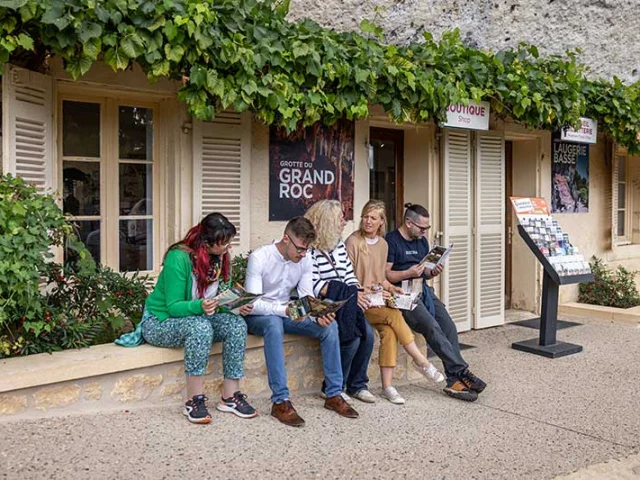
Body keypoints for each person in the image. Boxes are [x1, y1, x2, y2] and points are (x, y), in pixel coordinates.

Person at [141, 213, 257, 424]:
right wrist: (200, 306)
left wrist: (237, 307)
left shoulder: (220, 259)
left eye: (229, 242)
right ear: (206, 242)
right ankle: (193, 400)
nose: (228, 248)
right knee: (200, 327)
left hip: (200, 316)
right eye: (223, 244)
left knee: (237, 325)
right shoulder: (179, 257)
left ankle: (230, 396)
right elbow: (174, 307)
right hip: (160, 322)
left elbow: (219, 301)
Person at [244, 216, 359, 427]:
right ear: (286, 238)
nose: (304, 254)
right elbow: (252, 303)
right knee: (273, 324)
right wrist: (285, 310)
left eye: (307, 249)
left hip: (288, 310)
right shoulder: (260, 257)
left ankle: (334, 394)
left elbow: (306, 297)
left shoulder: (304, 259)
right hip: (260, 315)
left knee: (330, 327)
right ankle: (280, 401)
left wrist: (318, 312)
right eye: (300, 249)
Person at [345, 200, 445, 404]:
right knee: (394, 314)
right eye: (365, 216)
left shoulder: (382, 244)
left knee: (389, 332)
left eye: (373, 218)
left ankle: (387, 387)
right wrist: (371, 290)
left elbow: (381, 277)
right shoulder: (353, 242)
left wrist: (391, 288)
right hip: (359, 300)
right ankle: (422, 361)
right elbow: (348, 279)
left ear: (381, 222)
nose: (368, 221)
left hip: (377, 298)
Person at [385, 203, 487, 402]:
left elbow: (426, 273)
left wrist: (432, 272)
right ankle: (461, 372)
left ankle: (453, 381)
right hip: (401, 292)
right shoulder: (391, 241)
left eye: (427, 228)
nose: (424, 232)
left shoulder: (421, 241)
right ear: (408, 223)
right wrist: (407, 272)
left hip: (422, 289)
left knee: (447, 324)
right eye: (421, 227)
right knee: (431, 326)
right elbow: (385, 275)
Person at [305, 200, 376, 404]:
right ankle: (334, 386)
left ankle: (358, 384)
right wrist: (349, 294)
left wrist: (358, 292)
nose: (345, 222)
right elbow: (316, 284)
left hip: (346, 297)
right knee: (351, 336)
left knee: (368, 334)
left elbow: (349, 275)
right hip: (325, 301)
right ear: (327, 222)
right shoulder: (309, 249)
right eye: (340, 218)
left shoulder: (338, 245)